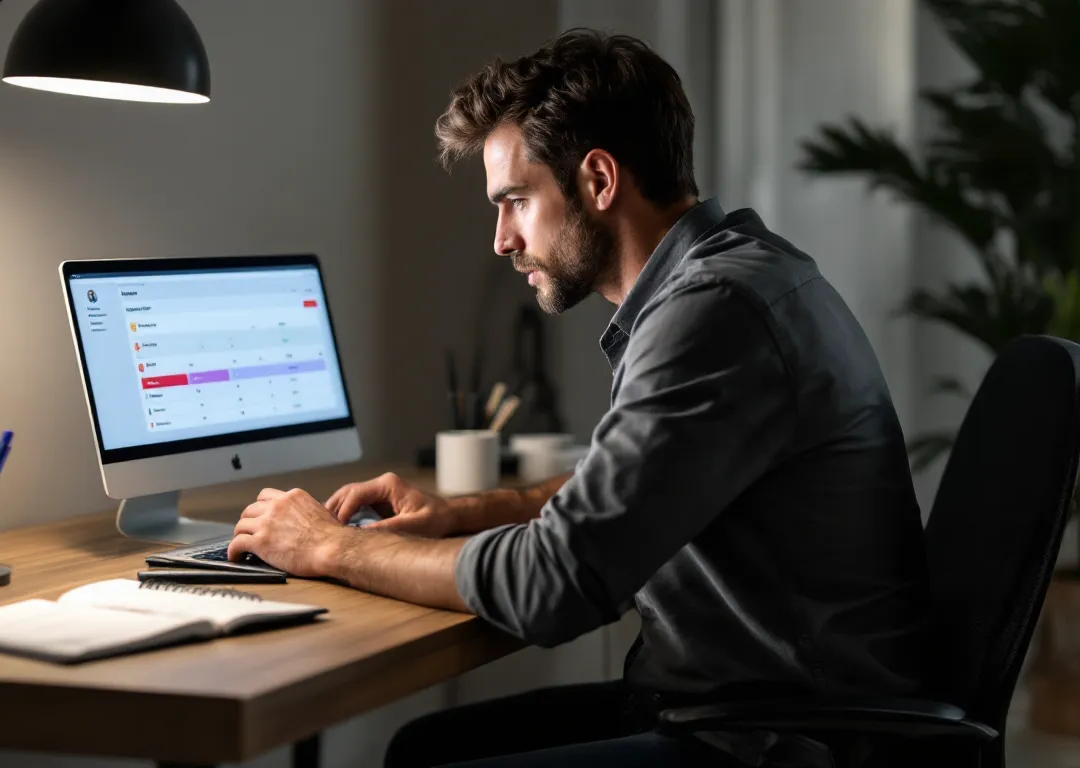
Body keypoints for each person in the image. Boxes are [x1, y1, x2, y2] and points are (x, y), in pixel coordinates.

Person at [227, 30, 930, 768]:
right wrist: (464, 513)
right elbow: (632, 493)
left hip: (782, 737)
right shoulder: (731, 279)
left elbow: (555, 584)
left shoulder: (714, 313)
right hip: (752, 703)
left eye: (516, 202)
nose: (501, 241)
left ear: (598, 180)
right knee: (424, 747)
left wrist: (328, 547)